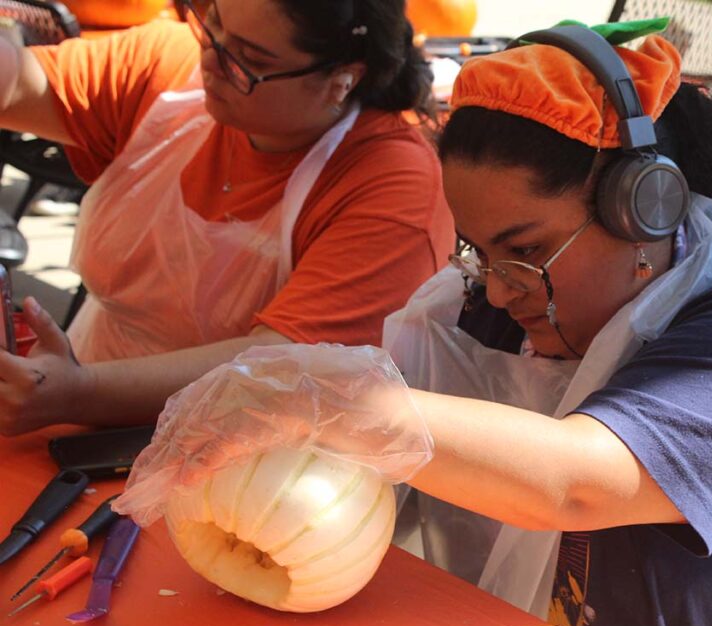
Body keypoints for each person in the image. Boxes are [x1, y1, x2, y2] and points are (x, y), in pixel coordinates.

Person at [116, 25, 712, 626]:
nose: (502, 290)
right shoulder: (496, 308)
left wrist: (336, 397)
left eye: (528, 250)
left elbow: (573, 481)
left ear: (647, 207)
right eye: (478, 252)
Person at [0, 0, 453, 434]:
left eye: (249, 60)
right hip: (65, 404)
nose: (212, 60)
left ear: (343, 79)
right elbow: (18, 82)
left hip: (244, 460)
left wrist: (80, 392)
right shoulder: (170, 70)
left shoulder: (395, 185)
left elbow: (279, 367)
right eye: (212, 23)